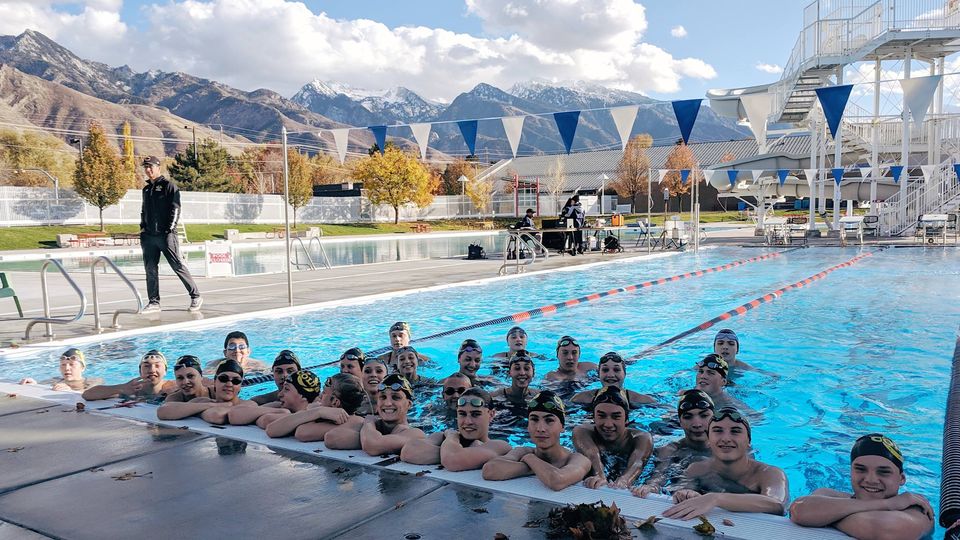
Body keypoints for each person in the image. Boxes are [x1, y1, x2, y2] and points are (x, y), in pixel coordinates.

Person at [789, 434, 934, 540]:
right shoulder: (829, 493)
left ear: (901, 478)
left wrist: (822, 517)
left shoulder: (918, 508)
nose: (871, 480)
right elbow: (798, 510)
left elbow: (887, 531)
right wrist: (888, 504)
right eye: (860, 469)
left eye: (883, 472)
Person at [661, 406, 789, 520]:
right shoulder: (697, 469)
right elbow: (683, 493)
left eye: (735, 431)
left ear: (749, 441)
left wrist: (715, 499)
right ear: (709, 440)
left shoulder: (770, 473)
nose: (726, 439)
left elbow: (777, 505)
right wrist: (686, 494)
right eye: (717, 430)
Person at [482, 390, 591, 491]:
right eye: (534, 420)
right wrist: (534, 468)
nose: (540, 429)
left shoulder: (578, 459)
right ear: (528, 426)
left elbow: (557, 481)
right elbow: (490, 470)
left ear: (562, 427)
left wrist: (530, 459)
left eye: (549, 420)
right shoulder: (523, 451)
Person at [138, 155, 202, 314]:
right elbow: (144, 210)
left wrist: (169, 228)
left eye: (150, 166)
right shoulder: (146, 189)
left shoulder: (169, 186)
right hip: (149, 236)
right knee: (150, 269)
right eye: (145, 167)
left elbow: (175, 208)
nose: (148, 170)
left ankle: (195, 296)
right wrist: (143, 228)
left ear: (158, 168)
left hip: (166, 235)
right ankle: (154, 302)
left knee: (177, 266)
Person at [632, 390, 715, 498]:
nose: (697, 424)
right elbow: (658, 477)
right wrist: (651, 487)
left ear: (714, 418)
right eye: (688, 417)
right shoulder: (670, 450)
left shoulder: (732, 449)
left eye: (704, 415)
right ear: (679, 421)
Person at [400, 388, 510, 468]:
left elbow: (452, 460)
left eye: (475, 414)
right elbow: (407, 452)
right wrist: (465, 454)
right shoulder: (442, 437)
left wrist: (452, 438)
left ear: (491, 414)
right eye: (462, 414)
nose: (468, 421)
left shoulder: (499, 446)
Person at [324, 374, 425, 455]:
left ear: (409, 404)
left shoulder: (415, 433)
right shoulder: (373, 428)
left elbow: (373, 446)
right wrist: (373, 436)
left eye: (396, 397)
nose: (388, 403)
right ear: (377, 403)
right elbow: (332, 438)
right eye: (383, 397)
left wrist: (368, 423)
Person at [574, 386, 653, 489]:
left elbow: (638, 463)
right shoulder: (583, 432)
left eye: (616, 417)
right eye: (601, 416)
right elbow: (591, 455)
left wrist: (625, 480)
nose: (608, 424)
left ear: (626, 420)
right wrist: (599, 475)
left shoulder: (641, 438)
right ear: (593, 417)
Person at [156, 359, 254, 421]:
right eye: (180, 378)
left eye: (190, 376)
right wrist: (212, 405)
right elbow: (163, 411)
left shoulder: (219, 393)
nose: (185, 382)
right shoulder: (182, 398)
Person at [293, 374, 367, 442]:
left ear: (335, 402)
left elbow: (301, 433)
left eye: (324, 392)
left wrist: (317, 411)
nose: (320, 395)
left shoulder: (349, 421)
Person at [82, 350, 173, 401]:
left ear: (165, 370)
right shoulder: (133, 389)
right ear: (140, 371)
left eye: (157, 365)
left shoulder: (174, 387)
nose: (152, 370)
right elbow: (87, 395)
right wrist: (121, 387)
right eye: (147, 366)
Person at [572, 352, 655, 407]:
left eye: (616, 370)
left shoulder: (642, 400)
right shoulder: (581, 398)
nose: (610, 375)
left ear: (624, 374)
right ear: (598, 374)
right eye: (605, 370)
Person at [19, 347, 101, 392]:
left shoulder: (93, 381)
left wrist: (70, 391)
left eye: (72, 364)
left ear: (82, 368)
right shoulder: (55, 381)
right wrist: (33, 383)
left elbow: (90, 394)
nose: (67, 368)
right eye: (63, 365)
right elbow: (40, 386)